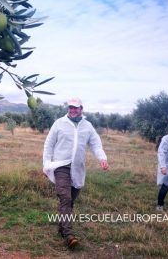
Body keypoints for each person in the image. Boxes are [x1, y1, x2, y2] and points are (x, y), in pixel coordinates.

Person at [43, 97, 108, 249]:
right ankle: (68, 235)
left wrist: (102, 158)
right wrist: (46, 164)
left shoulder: (87, 126)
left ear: (81, 109)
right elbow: (49, 144)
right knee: (65, 198)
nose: (72, 110)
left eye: (75, 108)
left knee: (70, 200)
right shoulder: (59, 123)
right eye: (70, 107)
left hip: (78, 168)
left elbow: (96, 144)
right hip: (61, 165)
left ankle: (61, 226)